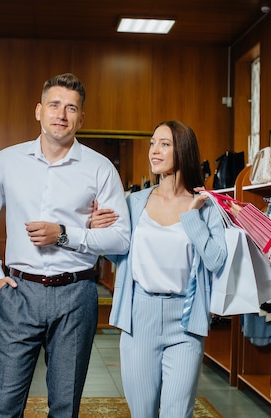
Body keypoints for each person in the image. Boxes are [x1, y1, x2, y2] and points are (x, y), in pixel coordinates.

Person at [0, 72, 130, 418]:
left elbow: (120, 237)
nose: (61, 114)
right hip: (18, 292)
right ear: (38, 111)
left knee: (64, 407)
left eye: (71, 108)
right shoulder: (7, 161)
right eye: (54, 105)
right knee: (5, 407)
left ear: (81, 118)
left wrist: (66, 233)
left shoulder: (100, 169)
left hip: (77, 295)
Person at [90, 120, 227, 417]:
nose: (154, 150)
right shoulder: (134, 202)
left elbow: (216, 261)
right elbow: (120, 253)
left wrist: (191, 219)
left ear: (184, 150)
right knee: (142, 413)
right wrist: (98, 231)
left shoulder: (205, 206)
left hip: (186, 321)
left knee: (178, 413)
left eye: (164, 144)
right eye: (152, 143)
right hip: (140, 317)